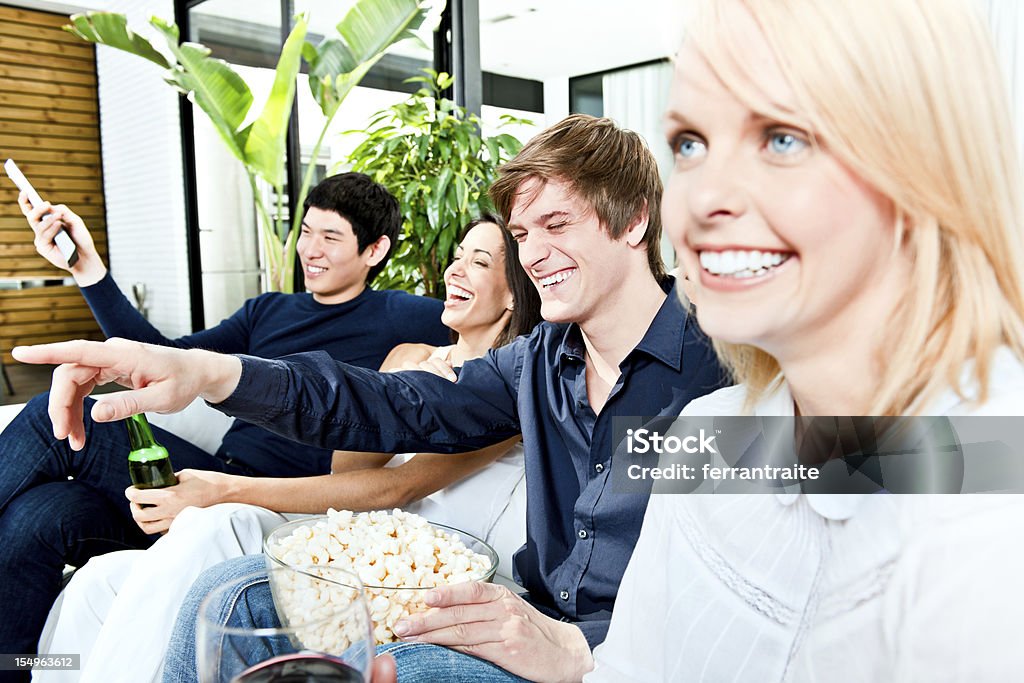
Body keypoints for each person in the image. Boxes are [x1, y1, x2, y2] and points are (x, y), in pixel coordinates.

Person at [14, 114, 729, 682]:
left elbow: (798, 529)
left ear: (634, 221)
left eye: (556, 225)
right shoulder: (537, 362)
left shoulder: (722, 369)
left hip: (608, 652)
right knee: (226, 592)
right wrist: (210, 373)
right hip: (514, 613)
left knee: (391, 668)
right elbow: (384, 402)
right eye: (520, 233)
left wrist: (586, 648)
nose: (533, 253)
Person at [586, 0, 1024, 680]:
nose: (702, 199)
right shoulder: (706, 437)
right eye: (690, 144)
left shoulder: (995, 485)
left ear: (925, 168)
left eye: (782, 138)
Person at [36, 215, 543, 683]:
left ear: (515, 296)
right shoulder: (407, 354)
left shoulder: (502, 394)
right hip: (345, 538)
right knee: (98, 579)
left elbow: (398, 486)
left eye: (479, 262)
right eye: (458, 254)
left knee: (220, 522)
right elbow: (348, 463)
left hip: (399, 572)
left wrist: (222, 490)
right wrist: (402, 392)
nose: (456, 268)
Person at [0, 172, 449, 672]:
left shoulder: (406, 316)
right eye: (305, 231)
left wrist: (444, 358)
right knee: (39, 515)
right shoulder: (268, 311)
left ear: (375, 250)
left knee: (46, 414)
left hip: (275, 509)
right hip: (205, 478)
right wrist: (87, 267)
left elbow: (497, 323)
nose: (310, 249)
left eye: (331, 237)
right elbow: (164, 358)